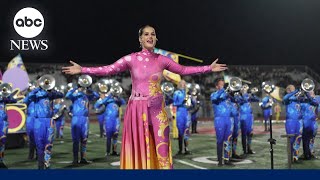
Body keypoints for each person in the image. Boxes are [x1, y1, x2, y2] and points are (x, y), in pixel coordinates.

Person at [62, 25, 227, 169]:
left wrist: (208, 68)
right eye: (146, 34)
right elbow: (108, 69)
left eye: (153, 34)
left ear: (156, 38)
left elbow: (183, 70)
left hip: (157, 109)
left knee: (162, 147)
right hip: (137, 109)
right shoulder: (131, 59)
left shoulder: (162, 60)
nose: (150, 36)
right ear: (140, 39)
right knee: (140, 149)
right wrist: (83, 70)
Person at [65, 84, 99, 165]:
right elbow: (67, 95)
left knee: (84, 140)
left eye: (84, 87)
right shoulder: (75, 96)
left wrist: (90, 90)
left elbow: (97, 96)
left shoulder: (87, 96)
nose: (83, 89)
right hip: (76, 118)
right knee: (76, 140)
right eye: (82, 87)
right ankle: (75, 159)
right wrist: (76, 88)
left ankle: (83, 158)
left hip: (85, 119)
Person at [94, 92, 126, 157]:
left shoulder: (117, 100)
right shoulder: (107, 100)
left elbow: (123, 102)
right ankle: (108, 151)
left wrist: (118, 96)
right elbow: (97, 105)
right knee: (108, 136)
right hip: (108, 119)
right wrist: (109, 97)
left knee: (115, 135)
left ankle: (114, 151)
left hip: (116, 120)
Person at [210, 78, 233, 166]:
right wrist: (223, 90)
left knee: (228, 140)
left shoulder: (227, 96)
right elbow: (215, 99)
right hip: (219, 119)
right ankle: (220, 160)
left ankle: (227, 159)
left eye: (224, 84)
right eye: (221, 84)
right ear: (217, 86)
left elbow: (235, 101)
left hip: (228, 119)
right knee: (220, 140)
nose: (223, 86)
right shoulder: (214, 94)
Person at [283, 85, 302, 162]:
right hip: (291, 121)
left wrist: (303, 91)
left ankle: (295, 156)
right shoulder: (288, 99)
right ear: (288, 90)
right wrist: (296, 91)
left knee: (298, 138)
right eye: (292, 90)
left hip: (299, 121)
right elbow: (285, 98)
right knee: (291, 140)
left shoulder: (298, 99)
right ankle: (290, 157)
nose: (294, 91)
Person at [238, 85, 259, 155]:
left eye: (246, 88)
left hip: (250, 116)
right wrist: (247, 94)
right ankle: (244, 150)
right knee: (244, 134)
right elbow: (242, 100)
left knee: (250, 133)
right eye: (243, 87)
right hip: (243, 116)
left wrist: (252, 94)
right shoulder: (238, 96)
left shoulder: (248, 96)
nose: (245, 89)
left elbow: (257, 99)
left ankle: (249, 148)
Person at [0, 85, 17, 169]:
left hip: (3, 122)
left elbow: (14, 100)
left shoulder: (3, 95)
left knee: (2, 141)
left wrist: (7, 96)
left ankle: (1, 161)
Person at [173, 80, 192, 155]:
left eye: (184, 84)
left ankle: (186, 149)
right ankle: (180, 150)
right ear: (179, 85)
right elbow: (174, 103)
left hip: (187, 113)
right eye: (181, 84)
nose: (183, 85)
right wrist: (182, 102)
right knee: (181, 132)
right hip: (180, 112)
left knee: (186, 131)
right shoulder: (176, 93)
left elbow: (190, 104)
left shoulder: (187, 93)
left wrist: (193, 99)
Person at [300, 91, 319, 160]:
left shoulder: (315, 101)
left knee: (311, 139)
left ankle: (310, 153)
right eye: (309, 93)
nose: (310, 94)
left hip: (313, 124)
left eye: (311, 93)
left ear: (314, 95)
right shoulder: (304, 102)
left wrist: (307, 94)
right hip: (305, 123)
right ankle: (307, 154)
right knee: (305, 140)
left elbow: (315, 102)